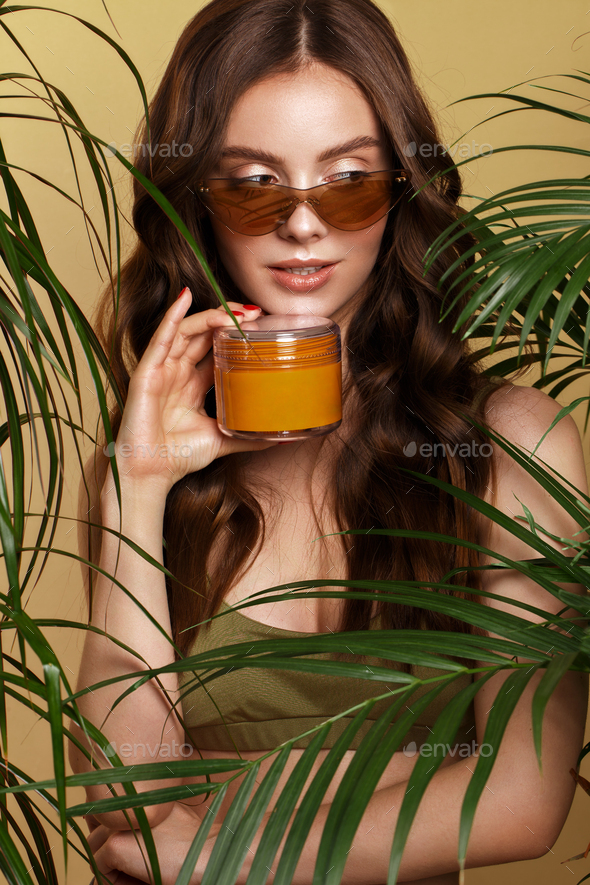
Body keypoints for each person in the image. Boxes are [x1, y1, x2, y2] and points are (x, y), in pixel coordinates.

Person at [69, 0, 588, 883]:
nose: (302, 225)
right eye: (252, 184)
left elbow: (523, 796)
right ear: (197, 197)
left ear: (399, 190)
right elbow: (126, 810)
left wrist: (231, 845)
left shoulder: (507, 445)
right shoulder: (143, 467)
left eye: (347, 182)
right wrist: (139, 482)